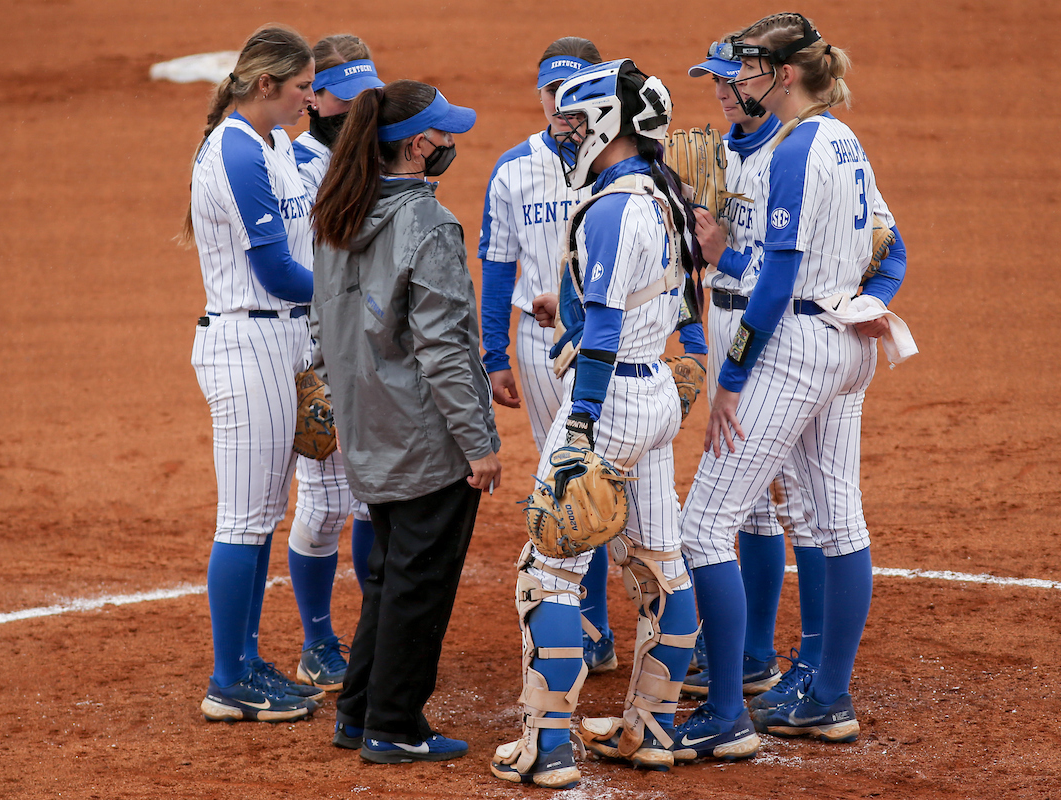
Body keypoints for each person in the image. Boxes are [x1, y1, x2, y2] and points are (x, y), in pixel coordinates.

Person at [678, 12, 901, 749]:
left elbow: (775, 278)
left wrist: (734, 374)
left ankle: (725, 711)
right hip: (841, 338)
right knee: (836, 517)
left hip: (795, 342)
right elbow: (873, 248)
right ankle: (828, 695)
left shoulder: (798, 149)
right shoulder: (843, 137)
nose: (736, 79)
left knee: (704, 524)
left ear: (785, 73)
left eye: (747, 68)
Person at [490, 59, 705, 789]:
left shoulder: (611, 206)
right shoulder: (662, 192)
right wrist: (697, 359)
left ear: (612, 125)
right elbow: (681, 300)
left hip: (609, 401)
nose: (568, 131)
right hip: (654, 400)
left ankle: (546, 748)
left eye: (580, 122)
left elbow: (607, 326)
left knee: (547, 572)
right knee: (660, 565)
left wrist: (579, 423)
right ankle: (651, 729)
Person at [308, 79, 501, 763]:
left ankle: (359, 713)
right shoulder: (429, 225)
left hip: (368, 429)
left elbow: (319, 328)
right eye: (443, 134)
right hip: (426, 440)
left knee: (389, 578)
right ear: (420, 145)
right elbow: (444, 348)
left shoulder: (335, 213)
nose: (451, 143)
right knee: (418, 587)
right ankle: (394, 725)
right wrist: (478, 445)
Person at [183, 24, 325, 723]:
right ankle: (227, 679)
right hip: (249, 345)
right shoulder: (236, 152)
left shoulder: (270, 144)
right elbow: (274, 270)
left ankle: (245, 662)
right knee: (243, 520)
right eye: (301, 87)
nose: (309, 99)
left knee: (264, 514)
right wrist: (350, 291)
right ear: (266, 85)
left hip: (278, 341)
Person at [286, 33, 385, 694]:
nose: (354, 115)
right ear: (312, 99)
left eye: (362, 102)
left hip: (374, 348)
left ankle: (377, 632)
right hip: (316, 346)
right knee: (324, 502)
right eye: (340, 101)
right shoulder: (292, 168)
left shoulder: (383, 157)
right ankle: (318, 639)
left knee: (377, 499)